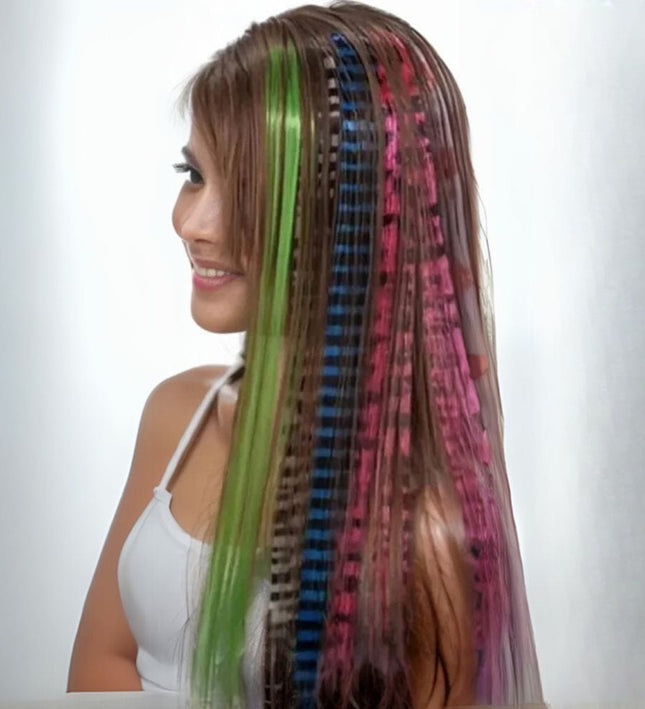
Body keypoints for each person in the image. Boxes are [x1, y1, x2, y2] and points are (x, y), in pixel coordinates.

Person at [67, 1, 545, 707]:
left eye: (245, 189)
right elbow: (99, 664)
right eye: (193, 174)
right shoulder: (177, 416)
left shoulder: (422, 538)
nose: (190, 222)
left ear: (348, 215)